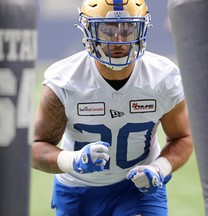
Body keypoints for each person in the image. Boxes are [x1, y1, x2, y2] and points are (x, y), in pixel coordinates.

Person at [31, 0, 193, 215]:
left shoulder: (162, 77)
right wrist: (76, 160)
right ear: (87, 29)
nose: (118, 40)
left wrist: (158, 169)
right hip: (77, 189)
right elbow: (35, 147)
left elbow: (183, 138)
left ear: (142, 28)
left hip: (137, 188)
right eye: (107, 30)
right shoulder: (65, 80)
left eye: (127, 29)